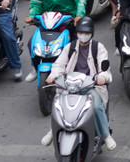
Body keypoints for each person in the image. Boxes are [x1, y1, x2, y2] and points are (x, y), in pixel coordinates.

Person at [42, 16, 117, 151]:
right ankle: (51, 131)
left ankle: (106, 135)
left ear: (91, 34)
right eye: (81, 32)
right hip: (70, 86)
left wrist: (102, 78)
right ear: (77, 33)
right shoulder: (69, 47)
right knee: (58, 105)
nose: (83, 35)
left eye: (86, 33)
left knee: (96, 107)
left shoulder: (98, 48)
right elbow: (59, 64)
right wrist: (53, 76)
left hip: (89, 87)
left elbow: (104, 68)